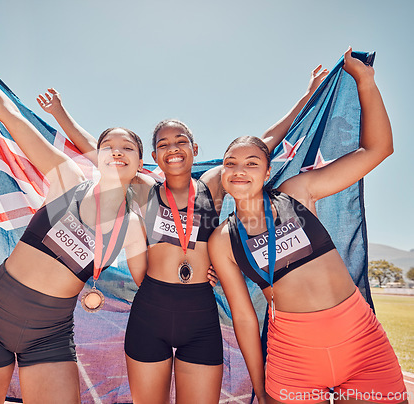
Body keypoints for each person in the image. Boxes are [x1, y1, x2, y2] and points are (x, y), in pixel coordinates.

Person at [36, 66, 328, 403]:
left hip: (200, 316)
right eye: (163, 144)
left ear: (195, 148)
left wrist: (306, 98)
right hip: (150, 313)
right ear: (155, 157)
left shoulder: (214, 185)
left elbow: (262, 144)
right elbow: (105, 153)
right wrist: (60, 113)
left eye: (181, 141)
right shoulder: (147, 189)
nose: (173, 147)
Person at [0, 19, 147, 404]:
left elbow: (153, 280)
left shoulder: (132, 225)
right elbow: (8, 116)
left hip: (50, 335)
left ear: (138, 163)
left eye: (127, 148)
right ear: (96, 156)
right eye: (108, 145)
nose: (117, 152)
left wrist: (200, 272)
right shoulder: (67, 178)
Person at [208, 48, 407, 404]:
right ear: (222, 173)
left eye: (252, 163)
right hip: (293, 360)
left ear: (267, 172)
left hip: (362, 345)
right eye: (230, 163)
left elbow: (377, 150)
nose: (240, 170)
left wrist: (366, 82)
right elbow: (244, 318)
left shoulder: (296, 193)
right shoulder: (223, 240)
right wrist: (260, 387)